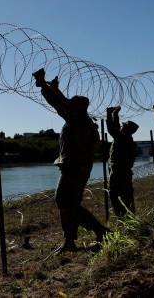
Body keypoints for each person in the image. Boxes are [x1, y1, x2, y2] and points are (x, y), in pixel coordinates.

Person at [32, 68, 108, 252]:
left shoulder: (76, 119)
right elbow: (64, 101)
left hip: (74, 167)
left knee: (64, 202)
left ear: (77, 107)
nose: (68, 103)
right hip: (78, 166)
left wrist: (43, 84)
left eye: (72, 103)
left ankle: (99, 231)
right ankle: (70, 241)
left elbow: (58, 103)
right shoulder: (81, 117)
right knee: (69, 204)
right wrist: (54, 87)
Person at [106, 106, 139, 216]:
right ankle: (129, 216)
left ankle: (122, 217)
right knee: (126, 194)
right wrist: (115, 115)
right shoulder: (127, 139)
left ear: (125, 129)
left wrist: (109, 114)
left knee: (115, 194)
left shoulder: (122, 138)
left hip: (118, 172)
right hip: (124, 172)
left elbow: (112, 129)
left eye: (123, 126)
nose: (121, 127)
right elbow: (116, 127)